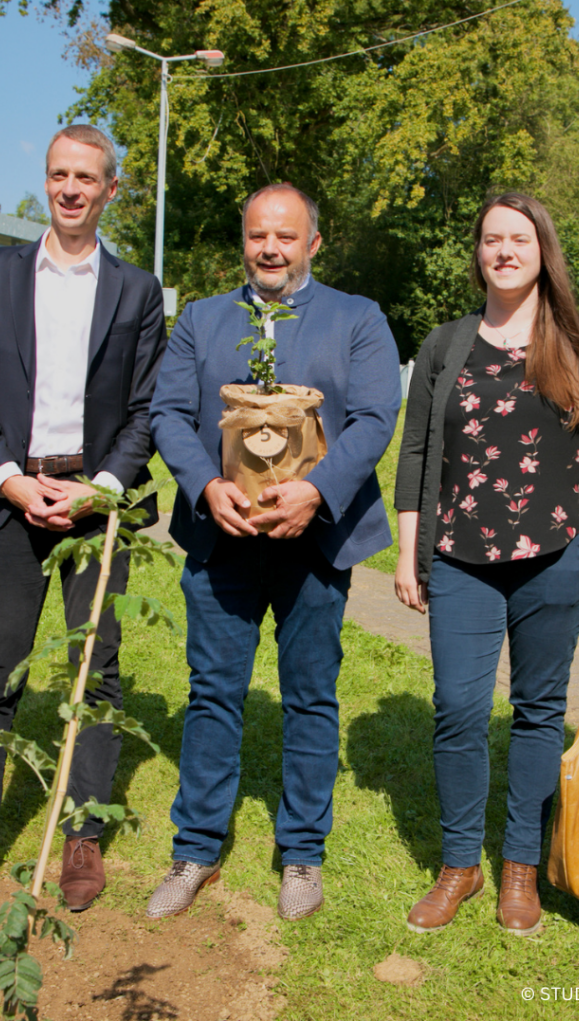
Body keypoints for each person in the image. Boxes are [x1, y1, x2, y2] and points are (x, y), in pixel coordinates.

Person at [0, 125, 167, 932]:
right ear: (47, 182)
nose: (70, 189)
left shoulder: (136, 290)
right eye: (59, 175)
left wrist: (99, 490)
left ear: (109, 190)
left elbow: (144, 412)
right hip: (11, 500)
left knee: (94, 672)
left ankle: (85, 834)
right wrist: (9, 478)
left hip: (95, 507)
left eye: (86, 178)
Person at [147, 183, 401, 920]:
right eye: (259, 235)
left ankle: (302, 855)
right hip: (220, 538)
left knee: (311, 697)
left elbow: (377, 416)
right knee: (213, 693)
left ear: (314, 243)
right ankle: (195, 848)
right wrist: (202, 485)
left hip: (314, 541)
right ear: (244, 240)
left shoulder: (358, 319)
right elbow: (166, 411)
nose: (270, 249)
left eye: (286, 237)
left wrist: (316, 492)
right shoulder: (201, 319)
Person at [394, 193, 579, 936]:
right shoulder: (446, 344)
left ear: (542, 249)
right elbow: (417, 450)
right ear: (478, 253)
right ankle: (460, 865)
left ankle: (520, 866)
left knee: (537, 711)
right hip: (460, 554)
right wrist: (406, 549)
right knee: (457, 708)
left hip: (556, 550)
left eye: (519, 238)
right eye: (492, 239)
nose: (505, 251)